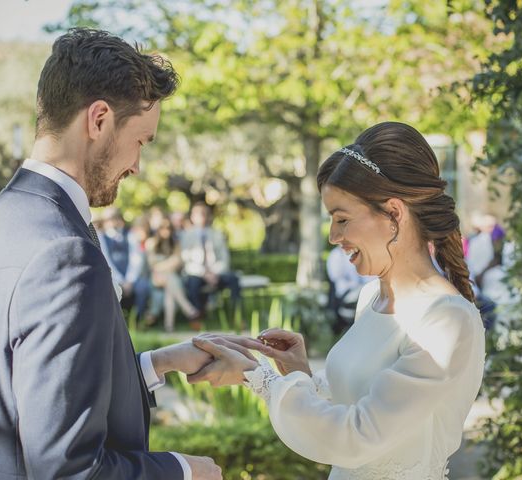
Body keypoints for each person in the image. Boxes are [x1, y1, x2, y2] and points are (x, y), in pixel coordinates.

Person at [0, 28, 257, 480]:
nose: (137, 165)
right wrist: (185, 471)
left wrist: (157, 364)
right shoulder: (66, 252)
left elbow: (27, 393)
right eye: (141, 142)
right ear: (98, 120)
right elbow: (67, 469)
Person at [196, 122, 486, 479]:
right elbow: (355, 404)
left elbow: (358, 436)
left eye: (342, 219)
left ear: (394, 214)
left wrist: (257, 377)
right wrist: (301, 373)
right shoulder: (370, 298)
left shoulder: (447, 321)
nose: (334, 236)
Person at [180, 202, 241, 313]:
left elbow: (224, 258)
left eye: (204, 214)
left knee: (233, 279)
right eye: (198, 214)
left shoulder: (217, 234)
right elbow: (186, 261)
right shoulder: (187, 236)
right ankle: (198, 314)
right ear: (192, 217)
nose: (202, 217)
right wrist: (204, 273)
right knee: (193, 283)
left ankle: (236, 314)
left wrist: (214, 273)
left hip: (216, 273)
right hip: (197, 274)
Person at [146, 217, 202, 332]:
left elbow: (178, 262)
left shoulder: (175, 243)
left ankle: (169, 326)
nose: (166, 230)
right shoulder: (151, 243)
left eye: (169, 228)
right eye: (163, 228)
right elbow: (153, 265)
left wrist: (162, 266)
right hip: (156, 278)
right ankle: (189, 309)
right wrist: (168, 264)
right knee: (170, 279)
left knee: (170, 291)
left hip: (170, 279)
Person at [99, 206, 151, 317]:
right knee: (109, 288)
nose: (110, 222)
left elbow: (136, 258)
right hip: (114, 277)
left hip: (131, 278)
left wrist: (129, 280)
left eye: (113, 219)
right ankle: (118, 321)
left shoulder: (130, 234)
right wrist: (120, 280)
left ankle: (138, 319)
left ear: (119, 219)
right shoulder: (101, 237)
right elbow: (106, 260)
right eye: (107, 220)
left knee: (143, 286)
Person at [326, 246, 374, 332]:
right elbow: (335, 276)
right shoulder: (336, 254)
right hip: (344, 292)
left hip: (359, 289)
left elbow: (366, 276)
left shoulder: (357, 253)